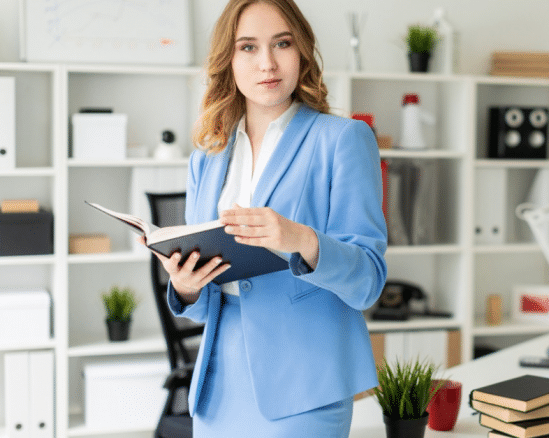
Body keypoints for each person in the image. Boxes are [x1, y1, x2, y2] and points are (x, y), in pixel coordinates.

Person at [144, 0, 388, 436]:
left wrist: (301, 239)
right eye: (248, 48)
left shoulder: (344, 140)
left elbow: (368, 281)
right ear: (229, 61)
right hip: (218, 384)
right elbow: (201, 308)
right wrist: (184, 284)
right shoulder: (209, 155)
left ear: (302, 52)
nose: (268, 63)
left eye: (282, 43)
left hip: (305, 380)